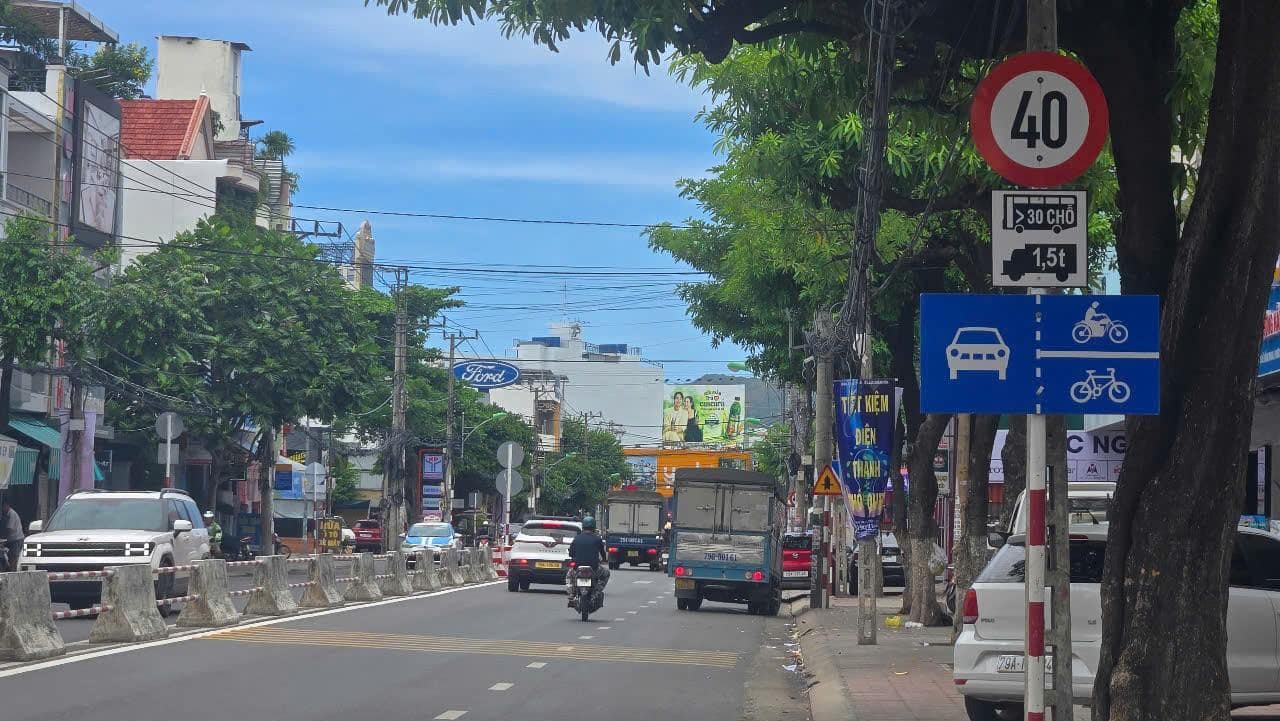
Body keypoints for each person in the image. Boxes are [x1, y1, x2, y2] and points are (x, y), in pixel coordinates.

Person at [566, 515, 609, 604]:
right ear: (594, 526)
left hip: (578, 567)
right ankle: (597, 591)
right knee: (606, 573)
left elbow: (571, 553)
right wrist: (604, 560)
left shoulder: (577, 538)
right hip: (594, 567)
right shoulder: (597, 538)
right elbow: (602, 552)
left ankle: (571, 593)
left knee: (569, 576)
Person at [1, 500, 23, 571]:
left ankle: (13, 572)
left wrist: (4, 540)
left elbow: (10, 529)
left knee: (13, 557)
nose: (2, 509)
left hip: (16, 540)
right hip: (12, 540)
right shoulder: (7, 514)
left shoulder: (12, 514)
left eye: (3, 507)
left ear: (7, 505)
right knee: (10, 556)